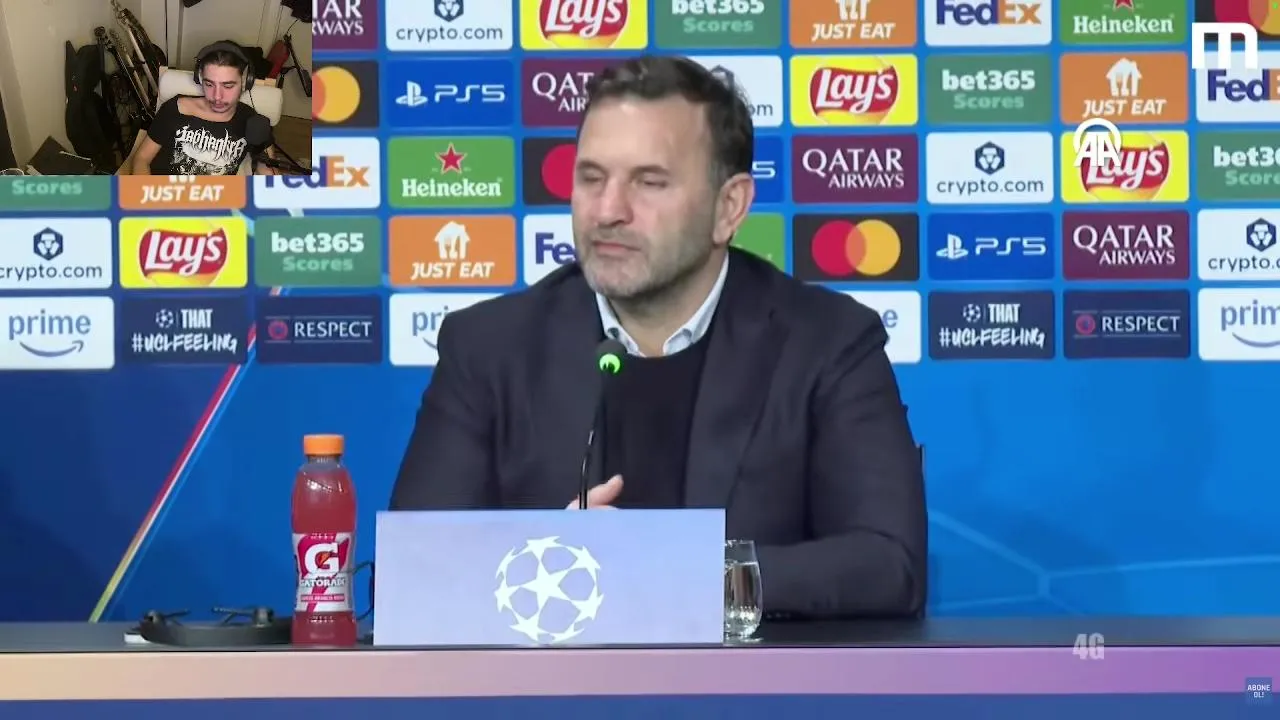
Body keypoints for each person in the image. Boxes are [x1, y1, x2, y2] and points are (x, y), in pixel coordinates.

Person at [389, 55, 927, 619]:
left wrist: (679, 572)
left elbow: (889, 564)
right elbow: (413, 572)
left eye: (649, 183)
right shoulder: (489, 346)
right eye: (591, 178)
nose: (608, 211)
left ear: (729, 208)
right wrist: (549, 563)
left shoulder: (827, 342)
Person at [130, 40, 273, 175]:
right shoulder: (175, 109)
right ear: (200, 79)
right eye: (209, 84)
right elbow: (141, 159)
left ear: (245, 83)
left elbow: (267, 170)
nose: (217, 96)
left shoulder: (252, 120)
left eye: (228, 86)